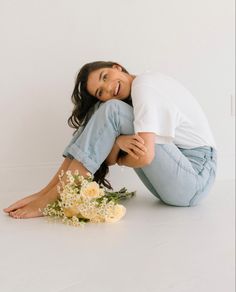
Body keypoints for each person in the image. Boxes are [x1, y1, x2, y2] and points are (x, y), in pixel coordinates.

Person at [3, 61, 217, 219]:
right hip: (176, 185)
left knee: (112, 109)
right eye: (100, 91)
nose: (108, 88)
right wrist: (117, 144)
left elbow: (145, 157)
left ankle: (55, 196)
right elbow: (121, 157)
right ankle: (47, 192)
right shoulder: (132, 97)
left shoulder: (145, 86)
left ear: (118, 67)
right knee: (101, 109)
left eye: (105, 76)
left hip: (194, 179)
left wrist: (118, 151)